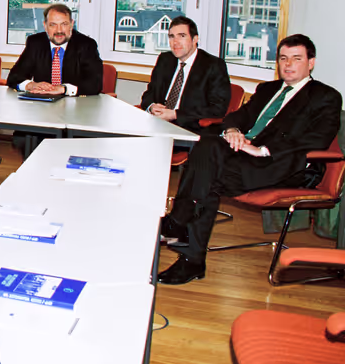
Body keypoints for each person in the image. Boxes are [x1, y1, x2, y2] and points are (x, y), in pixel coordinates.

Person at [157, 33, 342, 285]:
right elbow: (237, 116)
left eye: (296, 59)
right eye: (283, 58)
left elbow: (316, 140)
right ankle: (190, 257)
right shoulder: (268, 89)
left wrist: (263, 149)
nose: (288, 65)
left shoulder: (326, 96)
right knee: (208, 146)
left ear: (311, 63)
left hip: (282, 164)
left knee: (206, 171)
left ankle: (180, 230)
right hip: (243, 157)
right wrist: (233, 131)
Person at [139, 16, 231, 134]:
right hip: (157, 123)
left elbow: (218, 108)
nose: (175, 42)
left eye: (182, 36)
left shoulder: (213, 66)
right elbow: (149, 93)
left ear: (195, 39)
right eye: (172, 37)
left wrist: (175, 114)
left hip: (188, 128)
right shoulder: (165, 59)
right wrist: (152, 106)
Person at [5, 3, 103, 96]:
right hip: (42, 105)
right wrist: (30, 85)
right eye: (53, 25)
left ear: (71, 24)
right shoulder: (35, 43)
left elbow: (95, 84)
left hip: (75, 104)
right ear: (45, 26)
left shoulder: (86, 45)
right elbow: (13, 78)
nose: (59, 30)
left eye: (64, 24)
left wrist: (63, 89)